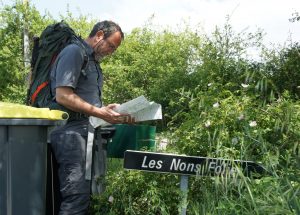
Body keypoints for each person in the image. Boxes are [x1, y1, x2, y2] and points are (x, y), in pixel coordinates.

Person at [49, 20, 134, 214]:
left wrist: (104, 109)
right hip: (69, 133)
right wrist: (98, 112)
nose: (111, 52)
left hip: (85, 132)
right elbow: (62, 95)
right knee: (76, 196)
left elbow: (84, 102)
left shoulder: (92, 61)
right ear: (99, 35)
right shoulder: (74, 52)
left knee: (84, 195)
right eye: (111, 46)